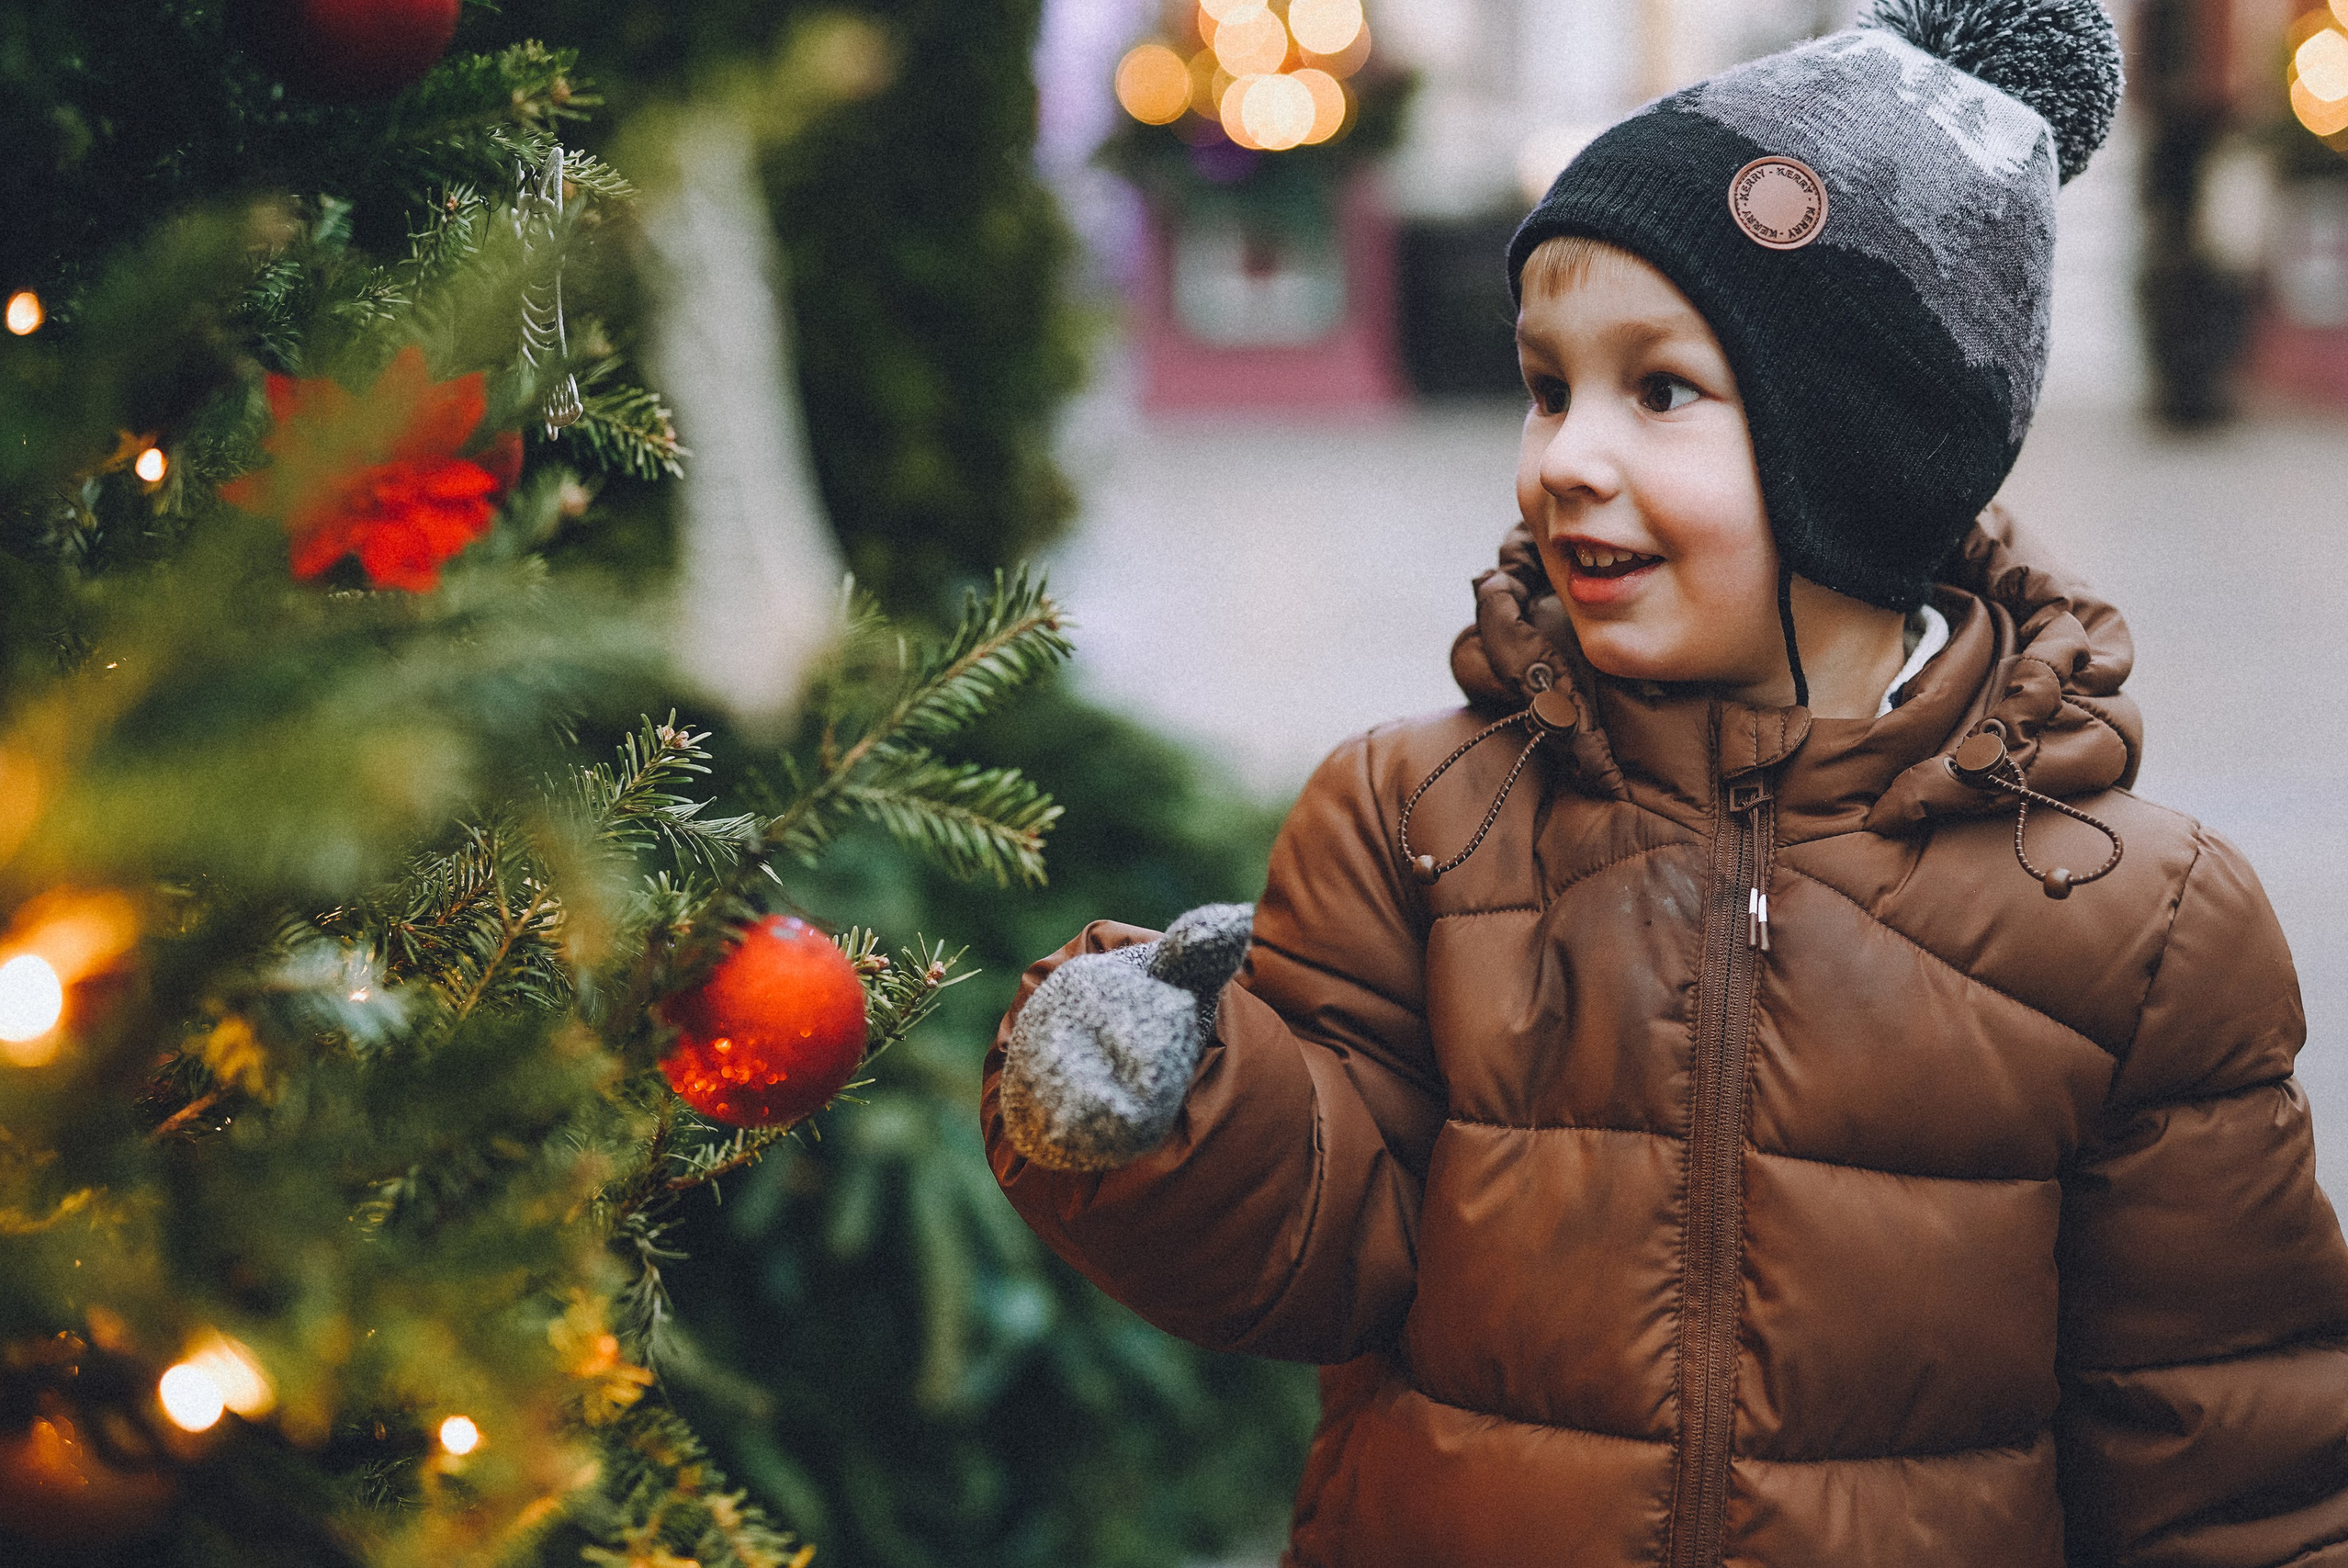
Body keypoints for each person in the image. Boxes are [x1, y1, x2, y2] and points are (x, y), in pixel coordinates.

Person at [982, 1, 2348, 1562]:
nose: (1564, 455)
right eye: (1547, 386)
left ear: (1869, 451)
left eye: (1661, 390)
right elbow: (1323, 1239)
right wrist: (1179, 1115)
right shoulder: (1423, 819)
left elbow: (2233, 1455)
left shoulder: (2134, 920)